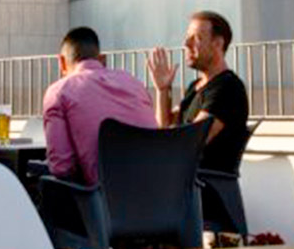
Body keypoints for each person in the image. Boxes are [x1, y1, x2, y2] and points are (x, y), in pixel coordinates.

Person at [42, 26, 156, 184]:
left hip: (105, 195)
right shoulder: (135, 83)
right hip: (159, 189)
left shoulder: (59, 92)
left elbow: (62, 168)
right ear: (102, 59)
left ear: (61, 62)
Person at [147, 10, 249, 173]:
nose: (186, 44)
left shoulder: (228, 87)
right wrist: (162, 90)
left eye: (196, 38)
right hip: (183, 178)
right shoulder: (195, 86)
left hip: (204, 182)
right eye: (188, 37)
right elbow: (163, 126)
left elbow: (192, 141)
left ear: (218, 44)